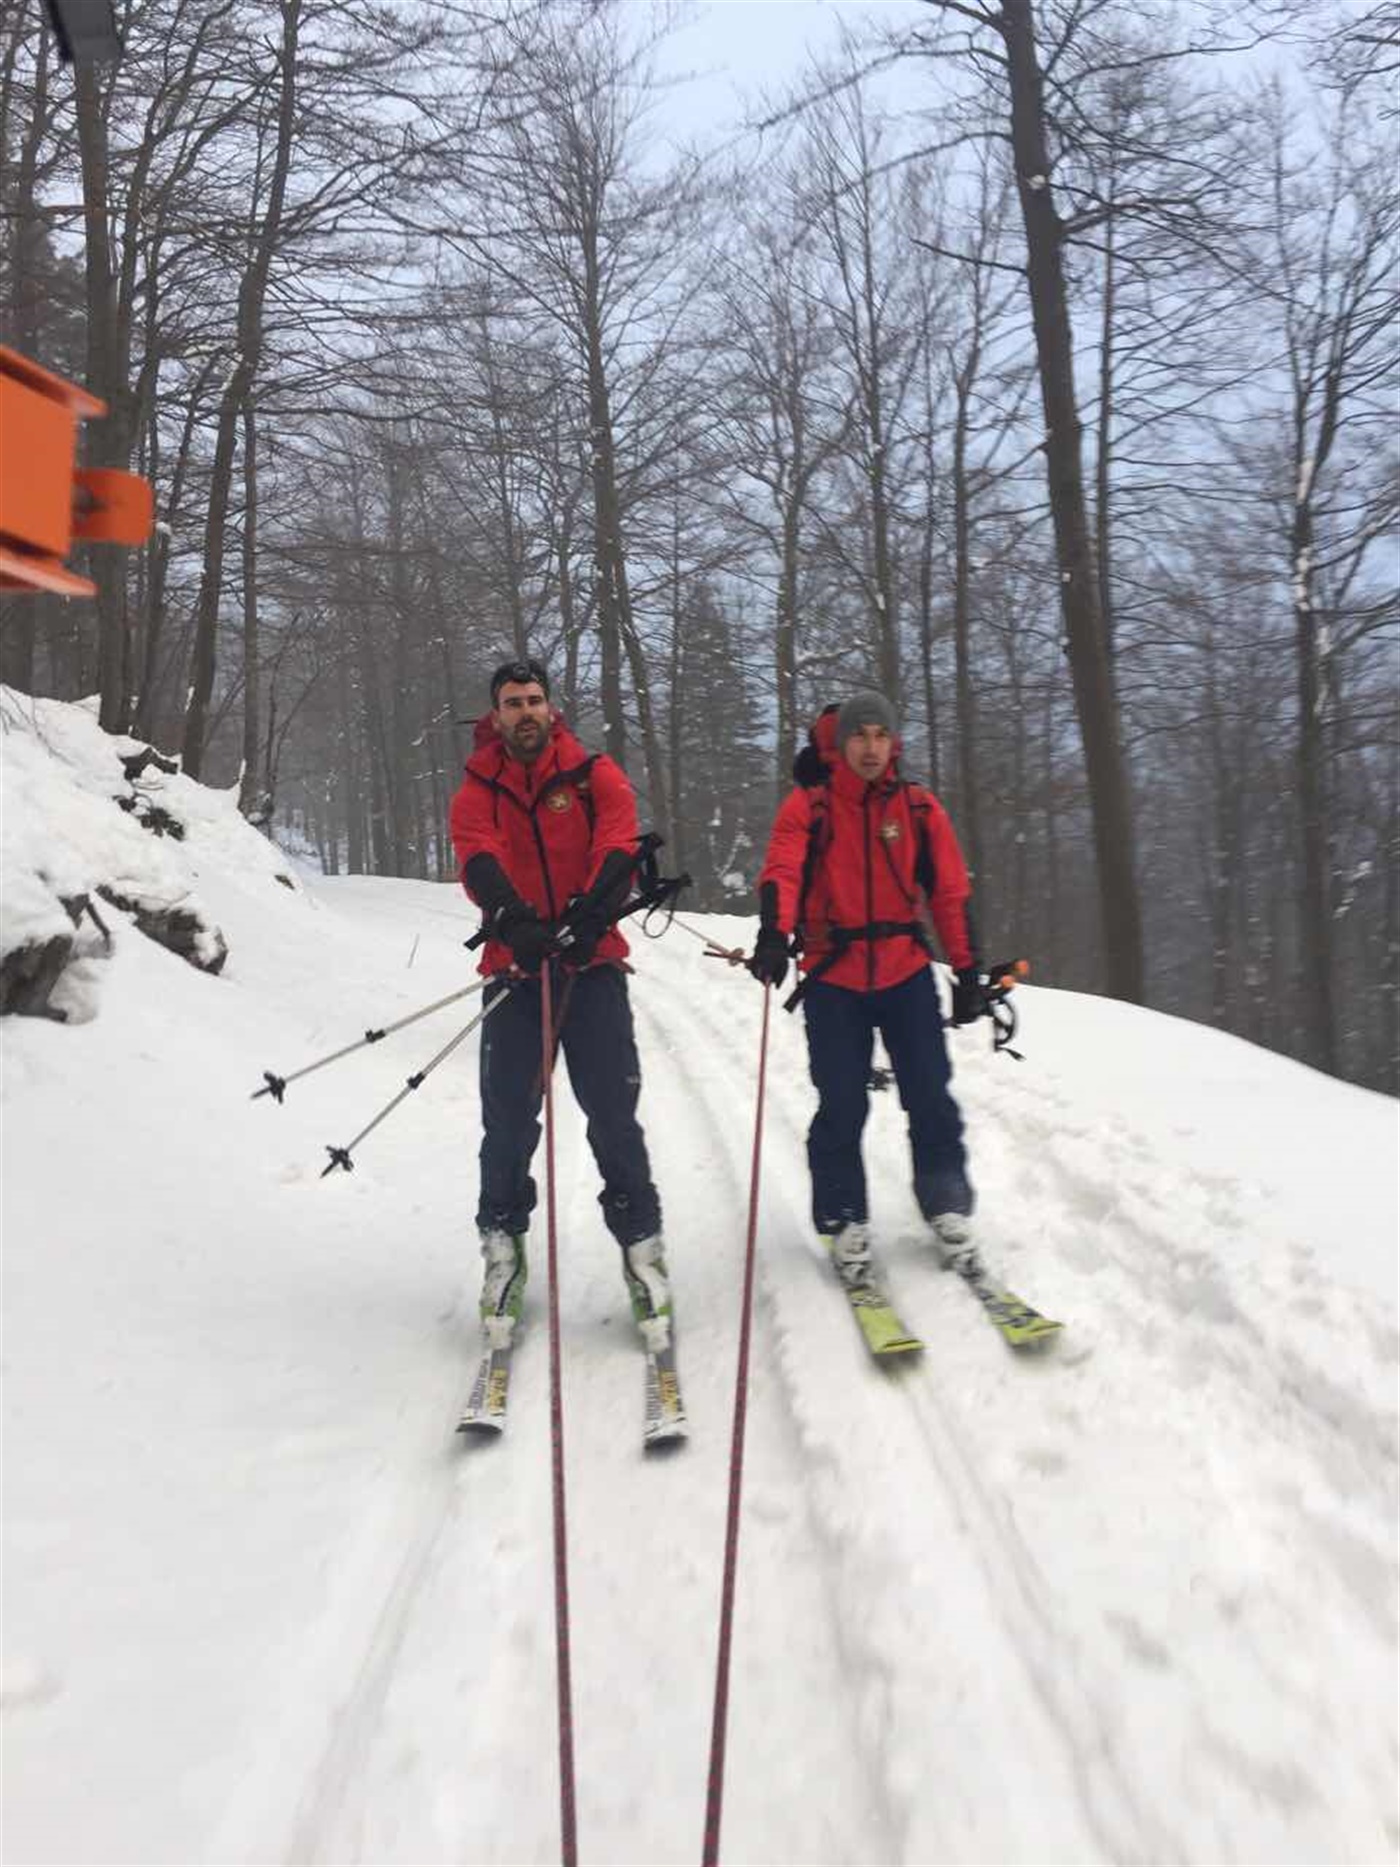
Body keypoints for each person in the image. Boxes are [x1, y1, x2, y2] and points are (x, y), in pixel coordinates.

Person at [449, 658, 671, 1345]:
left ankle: (643, 1251)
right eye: (512, 702)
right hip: (515, 970)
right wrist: (516, 920)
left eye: (535, 700)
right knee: (509, 1120)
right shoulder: (476, 786)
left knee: (612, 1113)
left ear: (552, 708)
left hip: (593, 967)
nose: (525, 712)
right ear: (496, 714)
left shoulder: (593, 773)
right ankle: (503, 1249)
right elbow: (475, 856)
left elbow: (618, 843)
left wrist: (587, 914)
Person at [749, 690, 988, 1287]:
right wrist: (774, 936)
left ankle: (947, 1202)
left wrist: (966, 970)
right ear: (840, 743)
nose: (872, 747)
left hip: (906, 973)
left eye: (882, 735)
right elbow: (780, 869)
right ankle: (842, 1220)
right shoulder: (811, 807)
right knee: (843, 1103)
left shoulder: (919, 809)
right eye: (861, 736)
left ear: (895, 742)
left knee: (930, 1093)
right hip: (834, 978)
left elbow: (950, 893)